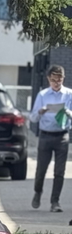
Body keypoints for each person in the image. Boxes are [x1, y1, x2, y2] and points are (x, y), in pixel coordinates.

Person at [30, 65, 72, 212]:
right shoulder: (42, 95)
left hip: (62, 136)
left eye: (59, 79)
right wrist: (41, 111)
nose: (56, 83)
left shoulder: (69, 94)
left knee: (59, 172)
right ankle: (38, 191)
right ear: (49, 79)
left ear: (63, 78)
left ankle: (55, 202)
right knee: (41, 169)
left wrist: (68, 112)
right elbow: (33, 118)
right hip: (45, 135)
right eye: (54, 80)